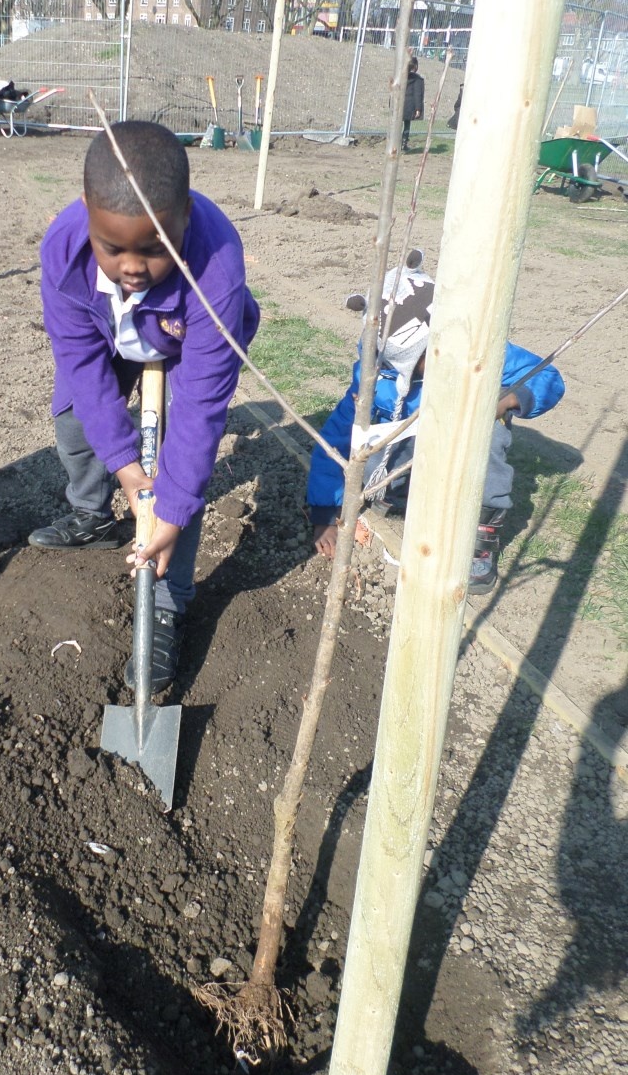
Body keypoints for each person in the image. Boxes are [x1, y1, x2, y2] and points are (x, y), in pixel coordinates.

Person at [28, 121, 260, 689]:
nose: (132, 266)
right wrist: (125, 468)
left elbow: (200, 411)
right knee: (76, 422)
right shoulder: (64, 253)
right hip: (110, 334)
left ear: (185, 215)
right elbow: (81, 366)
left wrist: (169, 508)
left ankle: (167, 602)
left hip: (185, 339)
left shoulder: (216, 271)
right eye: (112, 248)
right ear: (87, 213)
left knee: (179, 473)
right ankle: (92, 514)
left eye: (155, 250)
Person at [307, 250, 565, 594]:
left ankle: (480, 531)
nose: (448, 354)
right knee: (366, 459)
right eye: (432, 353)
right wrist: (326, 514)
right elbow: (336, 441)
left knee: (487, 434)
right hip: (409, 444)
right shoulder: (374, 381)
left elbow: (547, 377)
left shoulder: (478, 348)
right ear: (404, 360)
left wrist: (507, 400)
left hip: (466, 439)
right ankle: (402, 493)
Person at [402, 56, 425, 152]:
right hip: (409, 106)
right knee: (407, 124)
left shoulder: (400, 76)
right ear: (415, 66)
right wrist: (418, 109)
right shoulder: (417, 79)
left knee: (397, 125)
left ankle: (396, 143)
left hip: (399, 104)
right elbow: (417, 94)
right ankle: (403, 143)